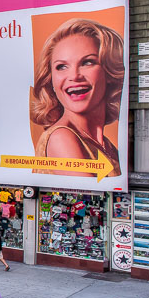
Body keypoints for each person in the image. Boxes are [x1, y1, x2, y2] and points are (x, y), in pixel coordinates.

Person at [31, 18, 125, 178]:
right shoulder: (61, 138)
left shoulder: (106, 145)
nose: (74, 76)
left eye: (87, 62)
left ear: (109, 71)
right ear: (51, 79)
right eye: (62, 66)